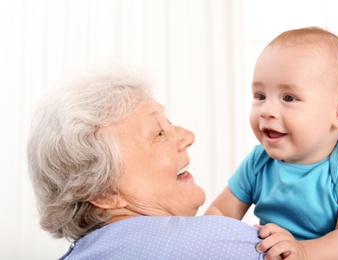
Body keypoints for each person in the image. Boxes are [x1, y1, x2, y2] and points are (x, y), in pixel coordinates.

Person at [27, 65, 267, 259]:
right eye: (159, 133)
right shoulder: (229, 243)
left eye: (169, 122)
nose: (188, 136)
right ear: (102, 192)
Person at [205, 26, 338, 259]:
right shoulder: (257, 162)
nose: (267, 110)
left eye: (288, 98)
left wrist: (302, 251)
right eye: (260, 96)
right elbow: (221, 211)